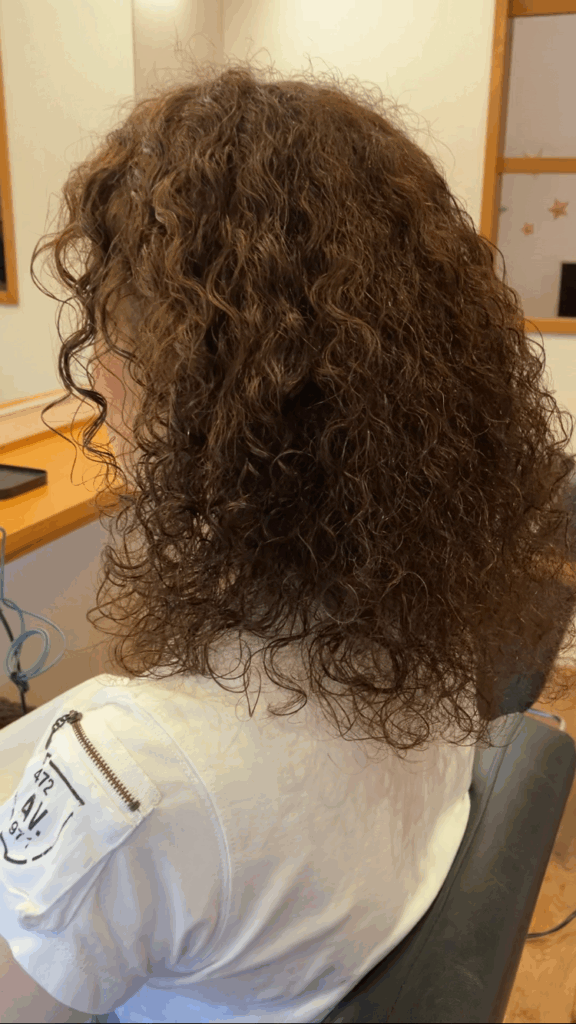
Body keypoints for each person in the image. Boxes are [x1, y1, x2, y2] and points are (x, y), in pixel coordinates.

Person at [2, 53, 576, 1024]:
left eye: (122, 333)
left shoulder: (132, 784)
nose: (96, 368)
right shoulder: (424, 624)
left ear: (220, 402)